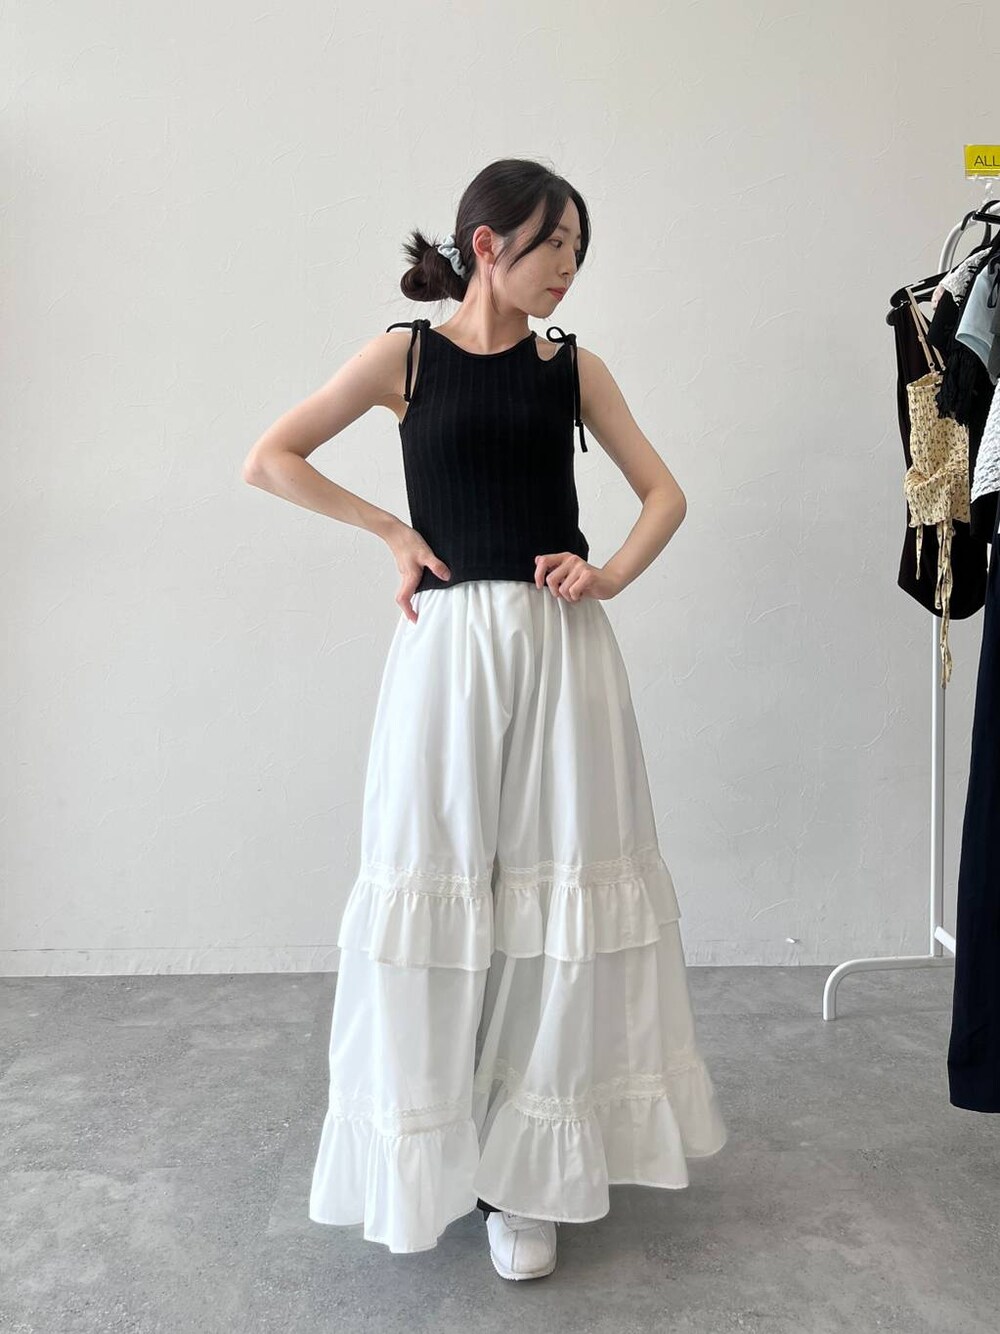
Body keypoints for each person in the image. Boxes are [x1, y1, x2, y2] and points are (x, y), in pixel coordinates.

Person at [242, 157, 727, 1280]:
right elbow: (270, 458)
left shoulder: (573, 368)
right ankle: (439, 1144)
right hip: (449, 655)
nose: (568, 268)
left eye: (579, 251)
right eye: (555, 243)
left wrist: (607, 573)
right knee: (440, 883)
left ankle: (527, 1177)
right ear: (487, 244)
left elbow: (666, 494)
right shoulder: (404, 357)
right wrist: (389, 531)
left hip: (560, 652)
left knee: (556, 895)